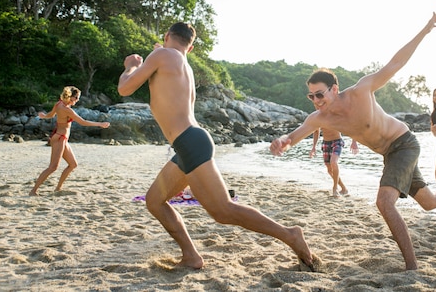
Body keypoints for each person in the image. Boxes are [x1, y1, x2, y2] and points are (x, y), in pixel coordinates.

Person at [270, 12, 436, 271]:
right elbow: (294, 136)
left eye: (319, 94)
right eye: (311, 96)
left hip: (404, 143)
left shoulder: (361, 91)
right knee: (429, 202)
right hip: (390, 155)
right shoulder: (319, 118)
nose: (316, 100)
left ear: (334, 89)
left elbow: (395, 63)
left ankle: (412, 266)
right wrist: (282, 142)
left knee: (383, 202)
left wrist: (425, 30)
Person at [117, 22, 315, 270]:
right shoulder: (178, 61)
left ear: (167, 36)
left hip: (190, 143)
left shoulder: (163, 55)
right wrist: (158, 53)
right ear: (190, 47)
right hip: (188, 144)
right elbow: (163, 67)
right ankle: (191, 256)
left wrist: (132, 65)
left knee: (223, 211)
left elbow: (125, 87)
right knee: (154, 200)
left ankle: (290, 234)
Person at [30, 86, 111, 196]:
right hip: (60, 138)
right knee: (53, 167)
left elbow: (50, 115)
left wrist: (44, 116)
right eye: (76, 98)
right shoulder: (66, 109)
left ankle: (58, 188)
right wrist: (100, 124)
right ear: (70, 97)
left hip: (61, 137)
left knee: (73, 164)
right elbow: (82, 122)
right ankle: (33, 191)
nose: (77, 100)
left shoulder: (59, 104)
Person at [309, 124, 358, 197]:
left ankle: (335, 188)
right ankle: (344, 188)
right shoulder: (319, 117)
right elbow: (316, 131)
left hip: (337, 142)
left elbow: (351, 127)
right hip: (325, 143)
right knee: (329, 170)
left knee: (334, 162)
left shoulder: (334, 114)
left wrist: (354, 142)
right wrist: (313, 147)